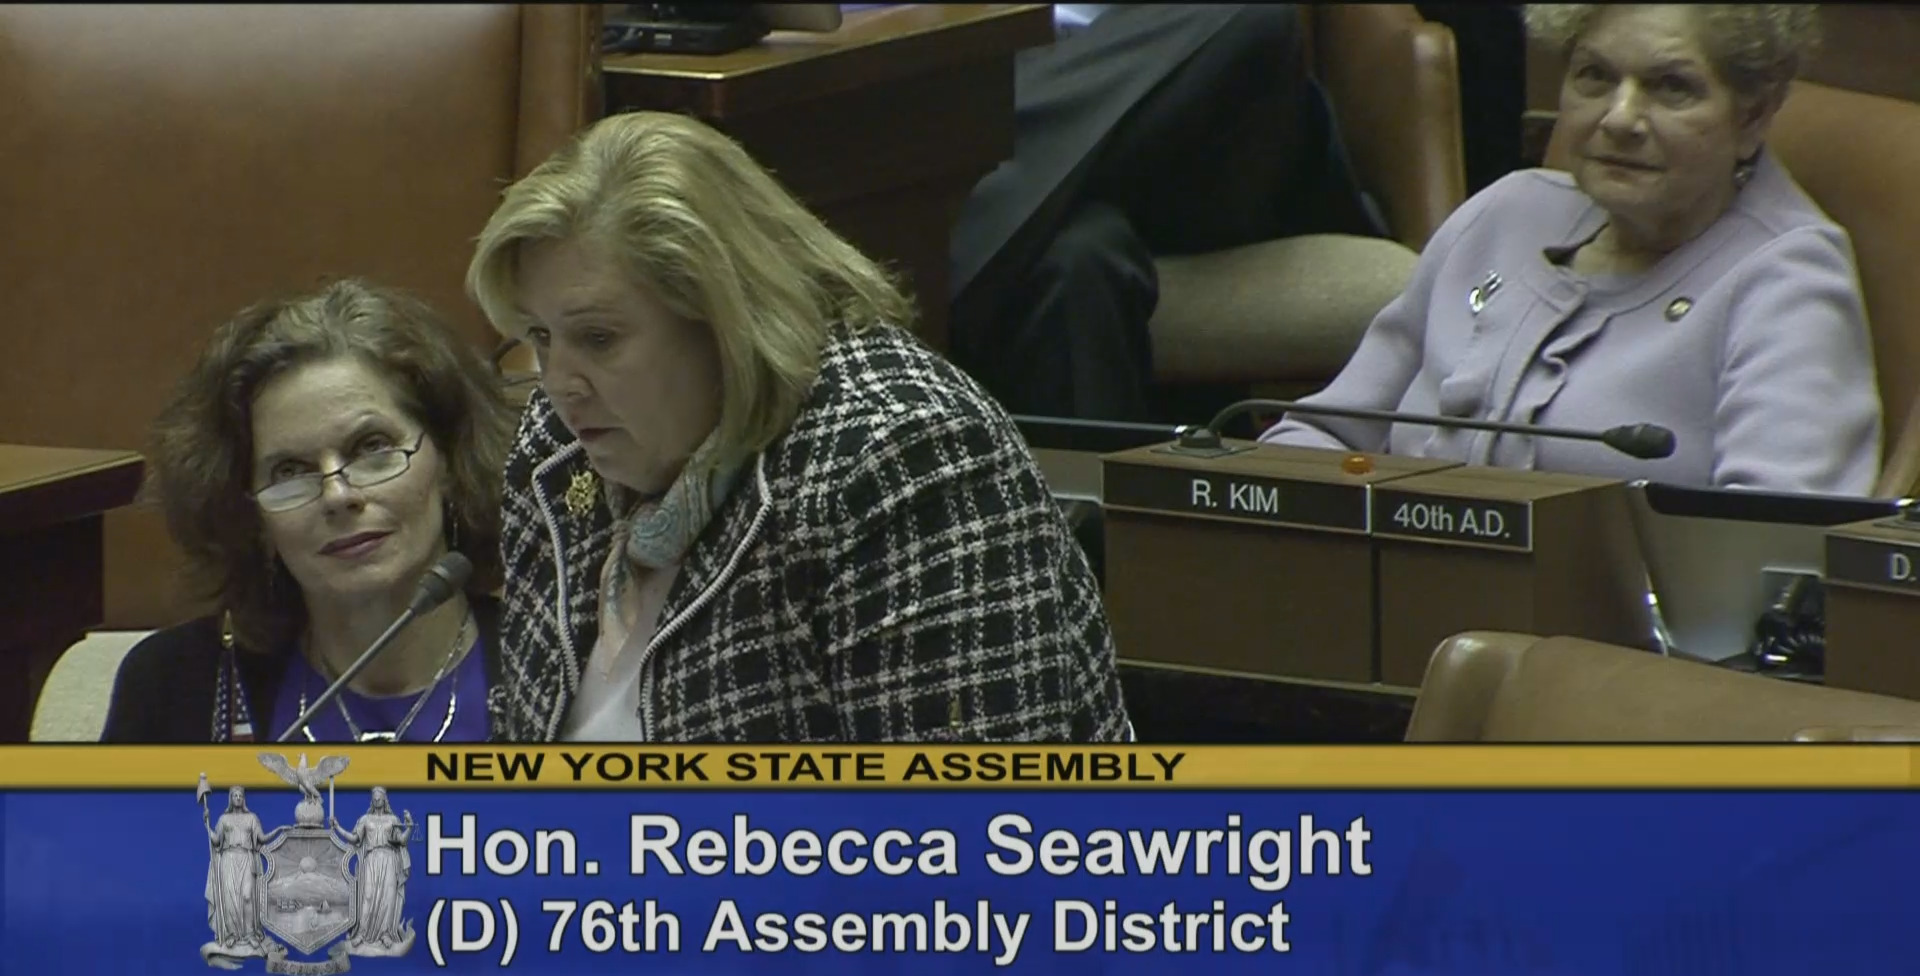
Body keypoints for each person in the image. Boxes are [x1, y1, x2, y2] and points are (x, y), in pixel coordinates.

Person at [467, 110, 1132, 743]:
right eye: (541, 337)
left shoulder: (899, 458)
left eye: (599, 338)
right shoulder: (559, 453)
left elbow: (965, 816)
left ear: (724, 319)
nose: (559, 383)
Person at [1262, 4, 1882, 495]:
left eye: (1671, 87)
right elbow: (1322, 433)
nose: (1619, 117)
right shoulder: (1504, 214)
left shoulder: (1786, 281)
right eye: (1595, 76)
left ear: (1753, 117)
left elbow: (1771, 550)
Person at [101, 279, 515, 743]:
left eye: (371, 447)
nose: (337, 495)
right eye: (289, 471)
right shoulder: (173, 686)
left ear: (449, 461)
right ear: (251, 514)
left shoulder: (553, 665)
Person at [947, 4, 1383, 424]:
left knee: (1251, 12)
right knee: (1078, 257)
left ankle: (954, 231)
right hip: (993, 82)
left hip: (1188, 85)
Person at [337, 787, 414, 956]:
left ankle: (386, 934)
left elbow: (401, 840)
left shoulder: (393, 819)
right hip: (371, 860)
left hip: (389, 860)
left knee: (388, 897)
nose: (377, 799)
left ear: (385, 799)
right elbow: (355, 838)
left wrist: (409, 826)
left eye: (379, 797)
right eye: (374, 797)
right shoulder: (365, 819)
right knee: (367, 896)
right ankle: (361, 934)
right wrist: (338, 827)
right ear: (372, 799)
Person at [201, 786, 268, 968]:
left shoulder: (251, 818)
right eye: (235, 795)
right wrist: (207, 825)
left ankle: (250, 934)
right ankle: (231, 935)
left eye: (240, 795)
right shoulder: (224, 819)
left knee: (247, 897)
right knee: (230, 898)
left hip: (246, 857)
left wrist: (280, 831)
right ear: (230, 799)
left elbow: (261, 838)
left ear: (243, 799)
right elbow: (217, 841)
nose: (238, 798)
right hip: (229, 859)